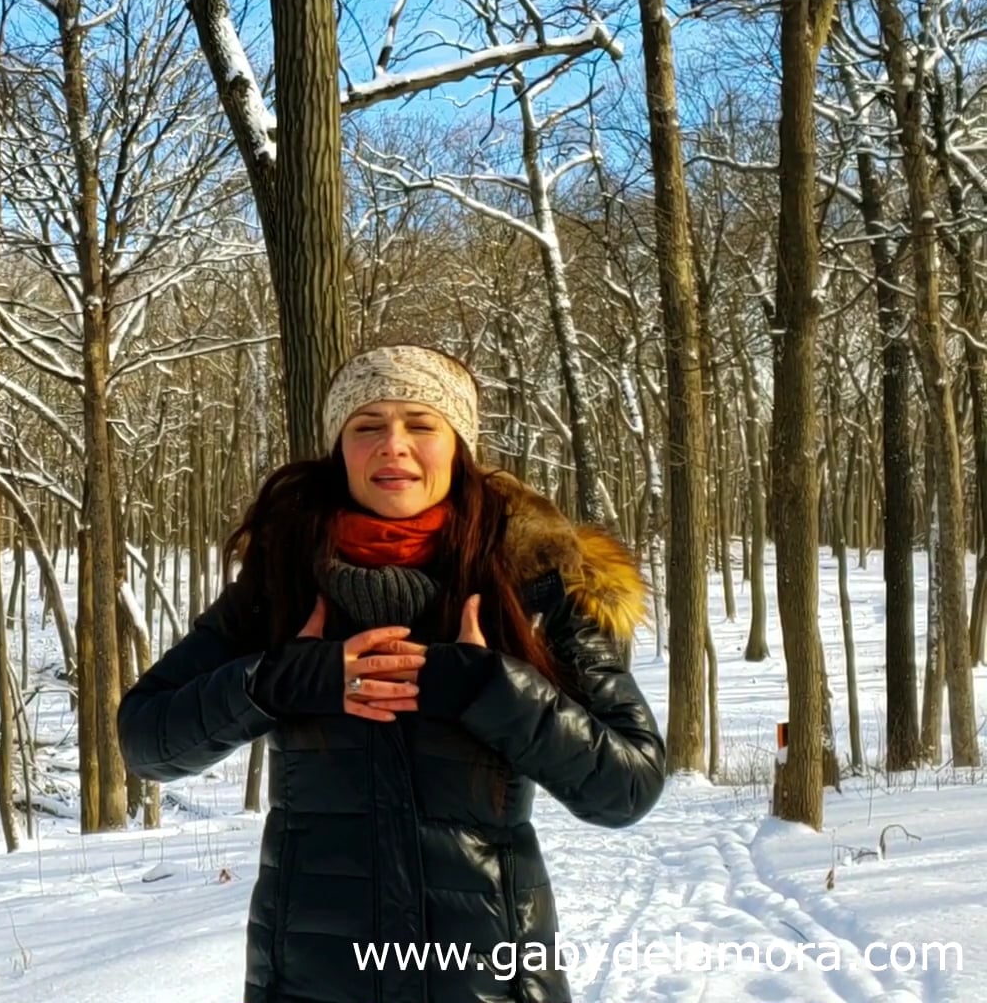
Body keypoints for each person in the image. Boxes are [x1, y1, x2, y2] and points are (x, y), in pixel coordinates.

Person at [118, 344, 666, 1003]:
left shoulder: (535, 580)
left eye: (420, 423)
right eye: (367, 425)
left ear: (458, 443)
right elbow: (147, 741)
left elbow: (627, 786)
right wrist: (281, 681)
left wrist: (491, 689)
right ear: (340, 448)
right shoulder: (283, 579)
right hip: (312, 982)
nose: (393, 445)